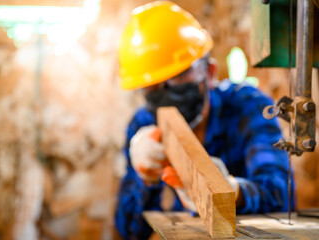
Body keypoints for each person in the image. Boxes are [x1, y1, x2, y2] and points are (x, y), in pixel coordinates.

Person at [114, 1, 294, 239]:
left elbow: (281, 197)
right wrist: (142, 177)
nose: (165, 92)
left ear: (209, 72)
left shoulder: (248, 106)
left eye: (177, 77)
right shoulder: (143, 124)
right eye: (152, 87)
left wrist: (234, 191)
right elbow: (128, 230)